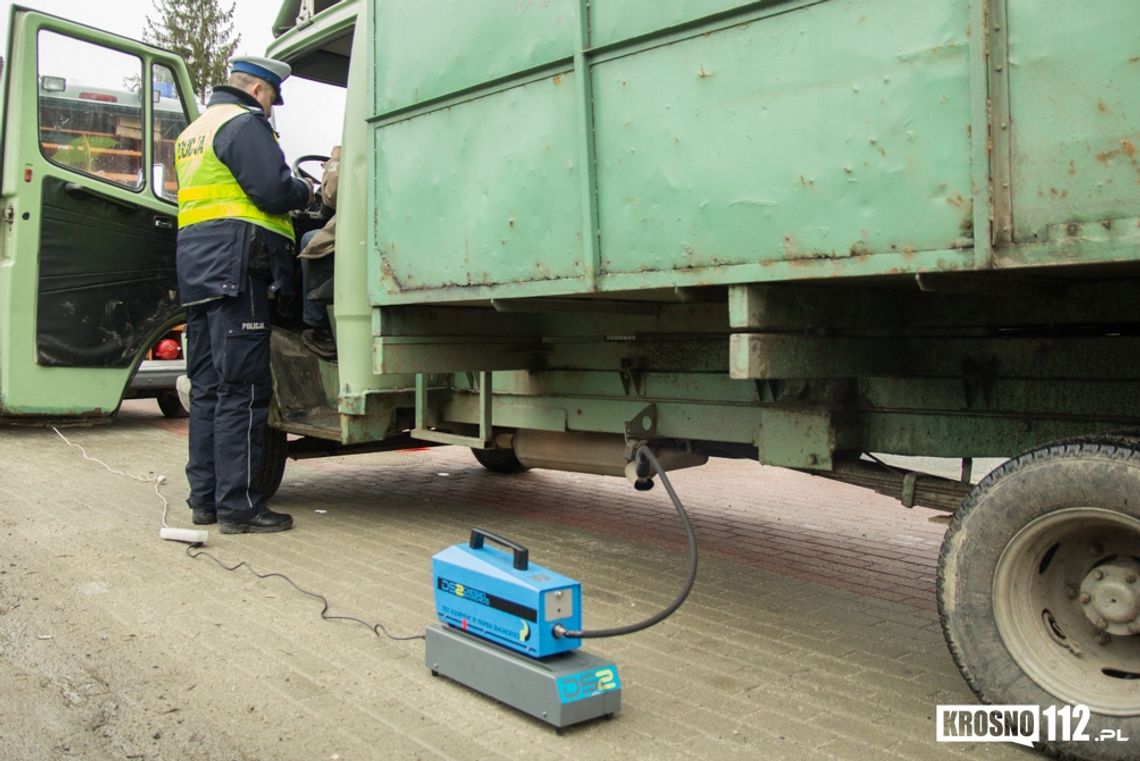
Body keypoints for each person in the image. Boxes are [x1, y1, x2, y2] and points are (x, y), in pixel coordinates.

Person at [174, 56, 313, 534]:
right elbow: (273, 192)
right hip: (239, 271)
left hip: (199, 275)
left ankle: (206, 501)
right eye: (273, 98)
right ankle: (241, 507)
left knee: (209, 389)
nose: (273, 107)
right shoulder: (242, 125)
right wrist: (304, 191)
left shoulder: (194, 131)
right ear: (258, 90)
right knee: (245, 389)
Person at [298, 146, 339, 359]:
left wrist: (336, 159)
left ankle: (317, 325)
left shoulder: (356, 151)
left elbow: (332, 193)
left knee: (310, 241)